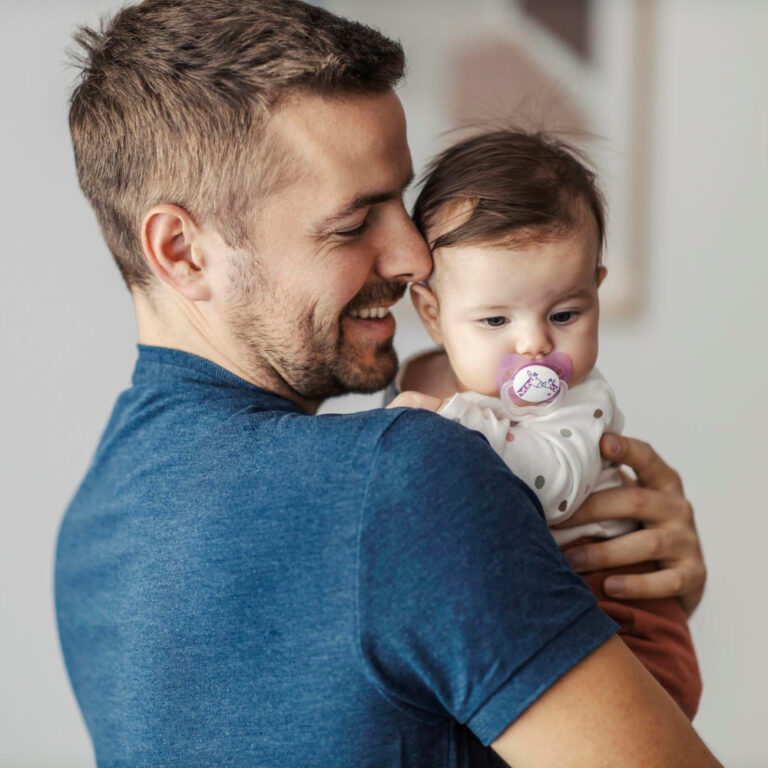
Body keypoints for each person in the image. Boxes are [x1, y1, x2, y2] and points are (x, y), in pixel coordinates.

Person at [54, 1, 715, 766]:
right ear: (184, 251)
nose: (413, 257)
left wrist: (591, 607)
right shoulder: (409, 472)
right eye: (353, 221)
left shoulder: (90, 530)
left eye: (402, 201)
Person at [386, 129, 701, 719]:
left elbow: (553, 491)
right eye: (496, 319)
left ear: (596, 295)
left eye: (564, 313)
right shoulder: (427, 378)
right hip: (532, 618)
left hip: (626, 623)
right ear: (432, 315)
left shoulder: (580, 400)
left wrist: (443, 431)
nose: (533, 341)